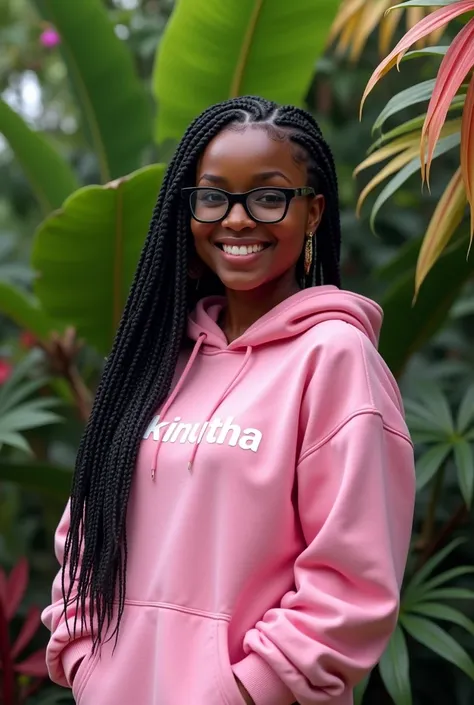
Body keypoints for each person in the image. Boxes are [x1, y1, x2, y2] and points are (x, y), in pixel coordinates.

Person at [41, 96, 415, 705]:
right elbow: (87, 529)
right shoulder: (155, 357)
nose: (236, 220)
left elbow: (349, 584)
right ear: (186, 211)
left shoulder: (335, 360)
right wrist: (87, 665)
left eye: (268, 196)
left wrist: (240, 691)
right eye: (213, 196)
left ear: (313, 212)